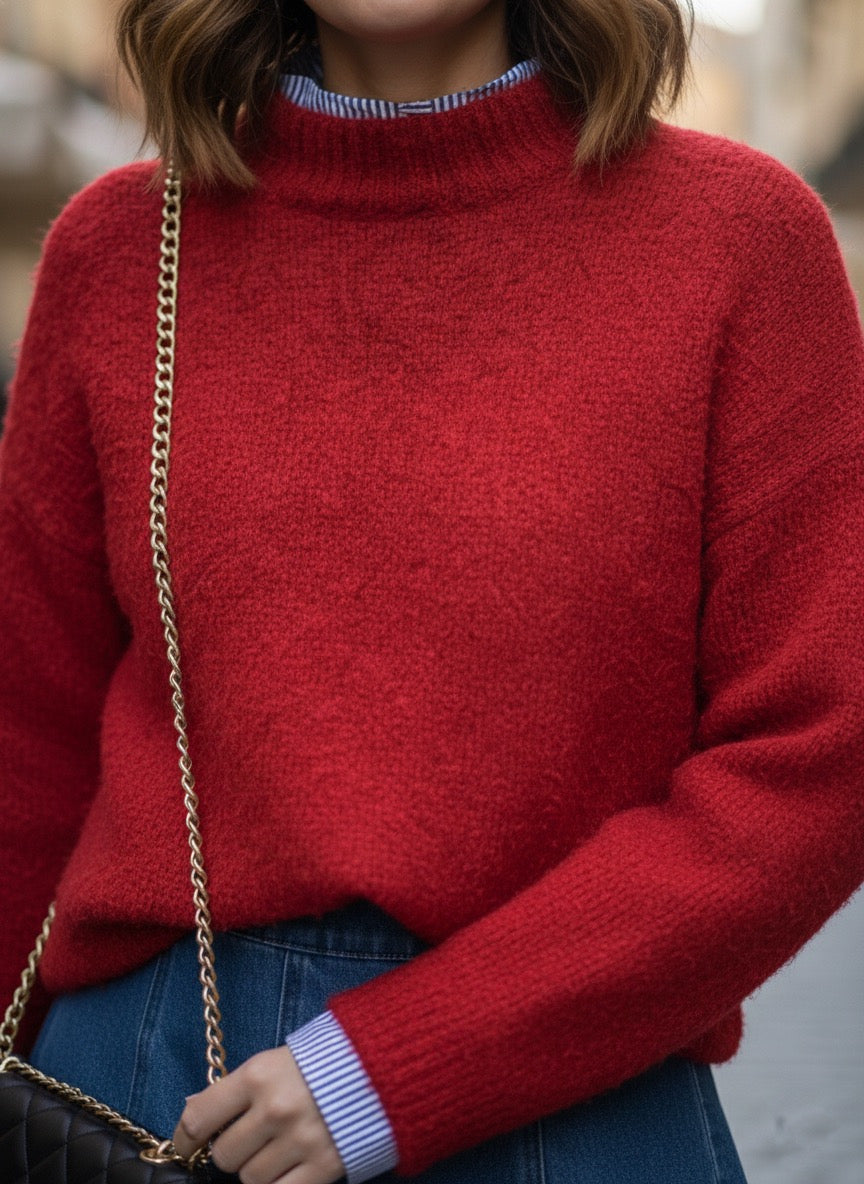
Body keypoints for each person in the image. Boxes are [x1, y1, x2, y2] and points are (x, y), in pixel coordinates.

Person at [1, 1, 863, 1181]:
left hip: (574, 1103)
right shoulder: (120, 253)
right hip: (142, 1096)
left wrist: (392, 1066)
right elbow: (25, 750)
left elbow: (822, 752)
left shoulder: (739, 242)